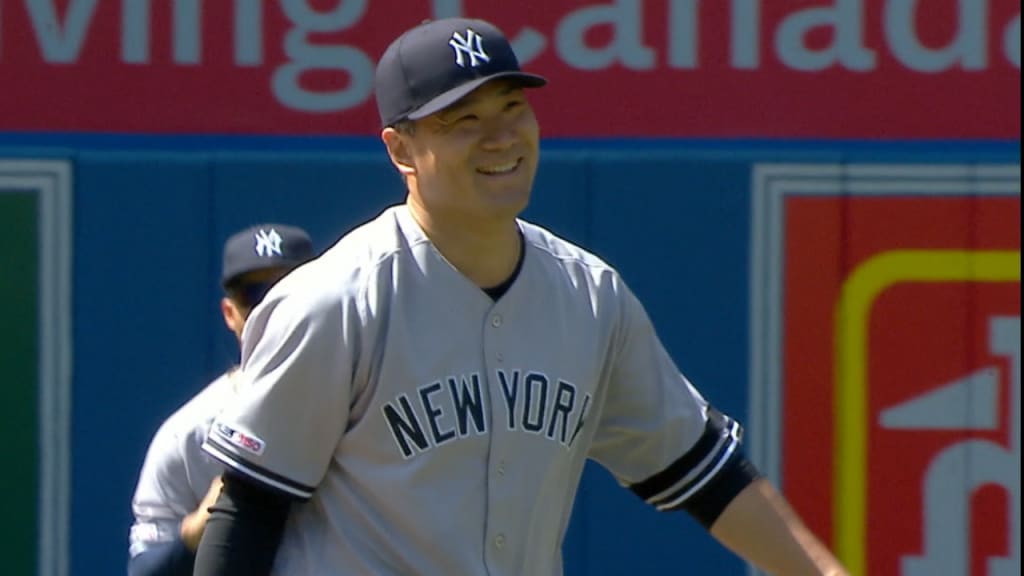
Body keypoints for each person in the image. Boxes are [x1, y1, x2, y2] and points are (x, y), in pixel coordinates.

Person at [193, 17, 849, 576]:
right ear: (402, 150)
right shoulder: (333, 302)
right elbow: (249, 505)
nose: (500, 136)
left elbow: (701, 471)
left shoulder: (588, 295)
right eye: (462, 120)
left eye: (512, 108)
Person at [126, 224, 315, 576]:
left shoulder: (369, 408)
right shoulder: (188, 435)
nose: (270, 309)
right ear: (230, 313)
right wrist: (196, 529)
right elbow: (143, 570)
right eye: (255, 295)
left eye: (287, 291)